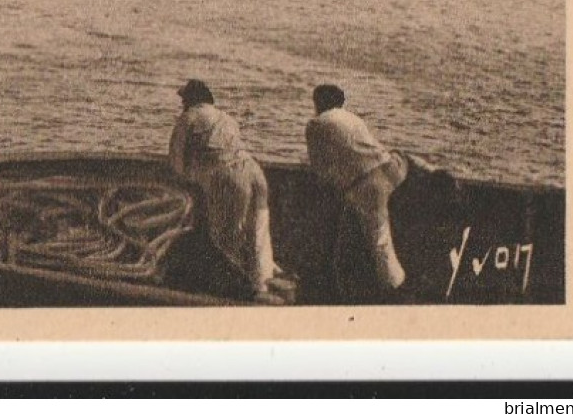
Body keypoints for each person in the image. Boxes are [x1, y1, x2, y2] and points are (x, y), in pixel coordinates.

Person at [167, 79, 280, 302]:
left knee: (226, 239)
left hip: (228, 178)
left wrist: (192, 179)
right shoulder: (226, 118)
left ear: (190, 100)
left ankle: (241, 294)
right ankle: (263, 288)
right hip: (254, 172)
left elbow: (177, 164)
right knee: (258, 235)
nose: (182, 104)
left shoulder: (188, 118)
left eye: (183, 100)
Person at [304, 83, 409, 293]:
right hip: (392, 168)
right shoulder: (353, 118)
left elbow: (319, 166)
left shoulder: (316, 124)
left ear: (319, 102)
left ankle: (396, 289)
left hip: (369, 184)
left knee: (381, 243)